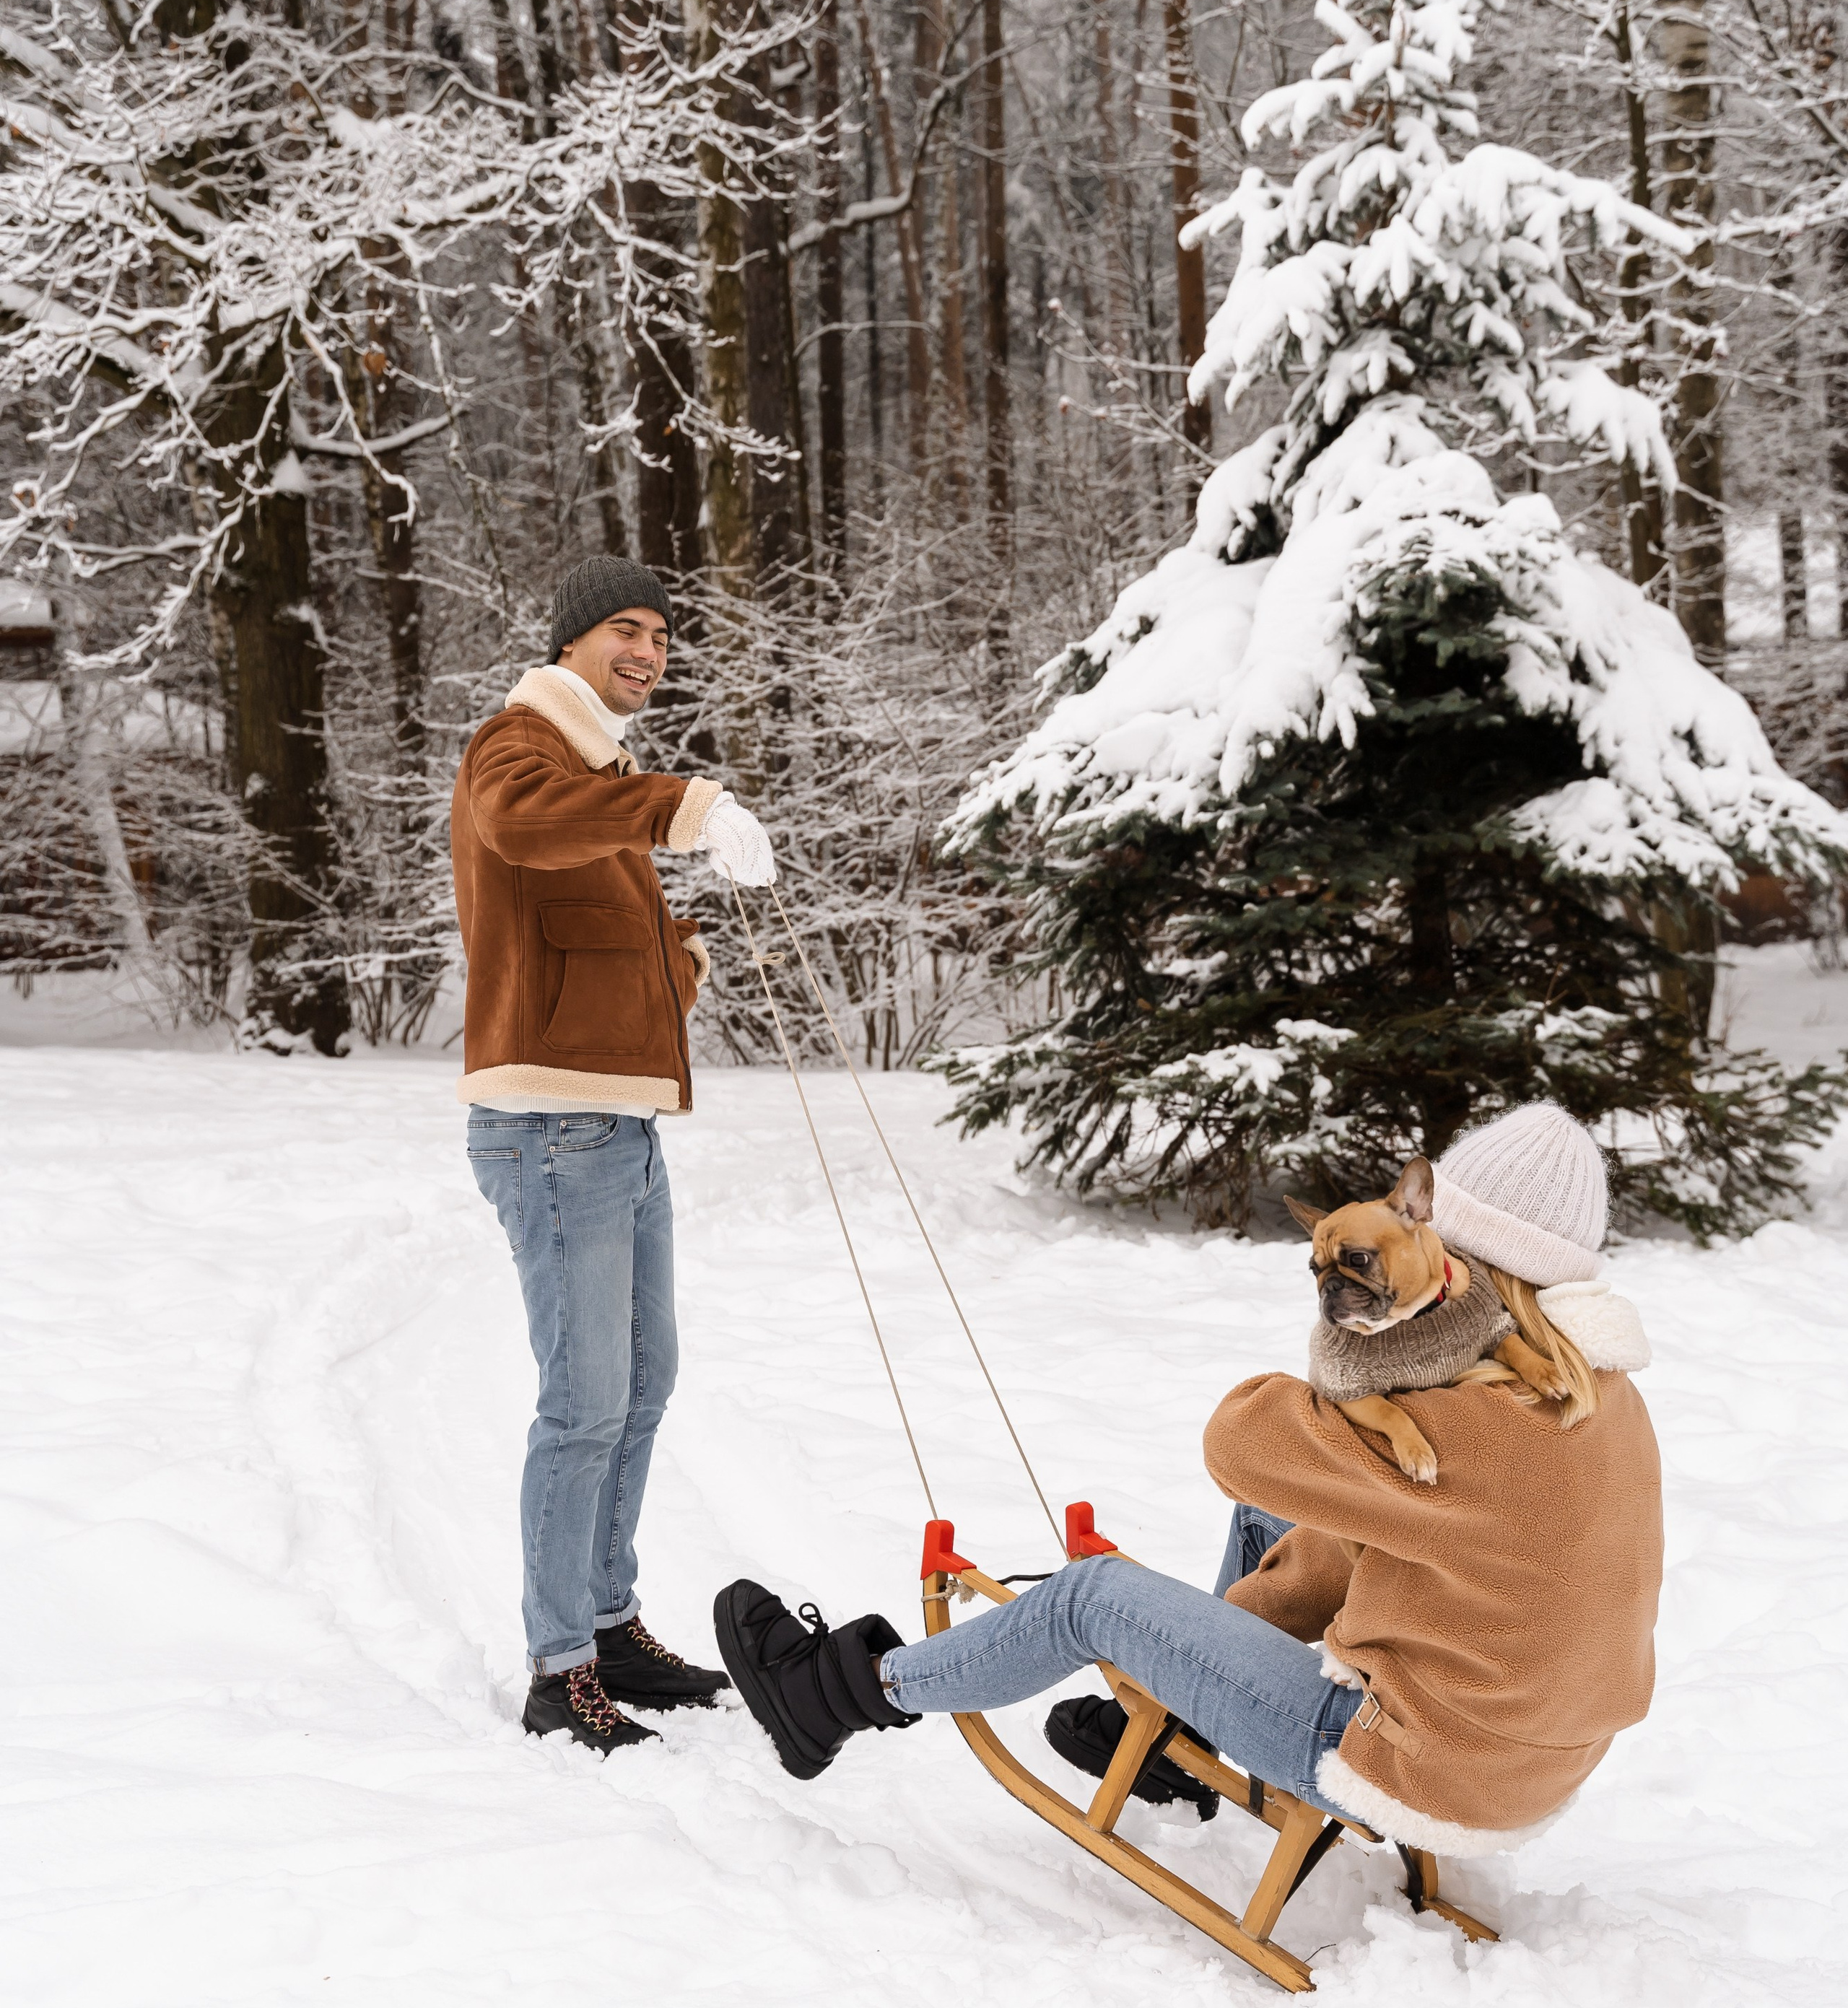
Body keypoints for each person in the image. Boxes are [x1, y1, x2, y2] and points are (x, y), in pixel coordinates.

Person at [715, 1104, 1664, 1859]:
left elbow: (1241, 1437)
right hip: (1520, 1758)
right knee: (1277, 1515)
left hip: (1406, 1755)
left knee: (1092, 1595)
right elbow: (1388, 1525)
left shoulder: (1469, 1420)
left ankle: (835, 1697)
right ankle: (1184, 1728)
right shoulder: (1601, 1396)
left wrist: (1360, 1358)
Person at [453, 554, 777, 1754]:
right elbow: (519, 825)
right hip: (550, 1132)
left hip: (615, 1129)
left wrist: (675, 961)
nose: (647, 652)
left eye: (661, 636)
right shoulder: (519, 746)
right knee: (585, 1402)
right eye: (624, 629)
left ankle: (607, 1622)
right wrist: (682, 809)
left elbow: (582, 938)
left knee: (645, 1382)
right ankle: (558, 1667)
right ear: (572, 640)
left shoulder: (598, 770)